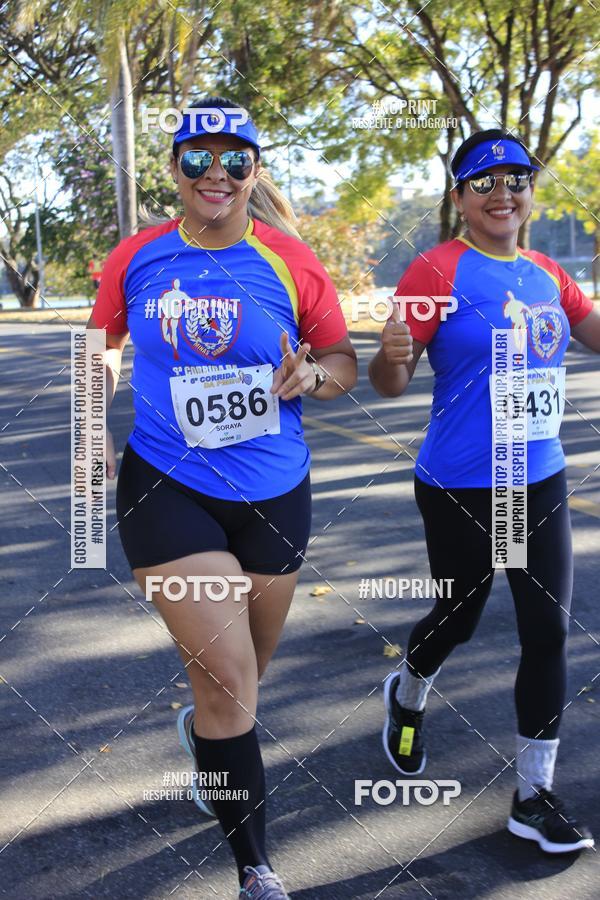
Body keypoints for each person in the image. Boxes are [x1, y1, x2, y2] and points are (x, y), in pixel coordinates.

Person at [88, 96, 357, 898]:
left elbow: (341, 360)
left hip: (276, 491)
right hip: (168, 486)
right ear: (172, 169)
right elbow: (95, 351)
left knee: (244, 674)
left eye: (235, 159)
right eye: (198, 158)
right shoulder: (135, 257)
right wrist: (87, 426)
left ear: (255, 170)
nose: (217, 173)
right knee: (231, 681)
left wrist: (314, 375)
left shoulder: (290, 260)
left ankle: (205, 739)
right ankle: (256, 870)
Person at [369, 128, 599, 854]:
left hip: (539, 476)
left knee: (546, 630)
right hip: (463, 481)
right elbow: (390, 381)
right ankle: (408, 687)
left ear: (531, 191)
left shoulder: (546, 273)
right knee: (460, 616)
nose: (503, 193)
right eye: (484, 182)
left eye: (516, 179)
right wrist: (392, 354)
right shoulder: (437, 271)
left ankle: (534, 794)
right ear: (461, 197)